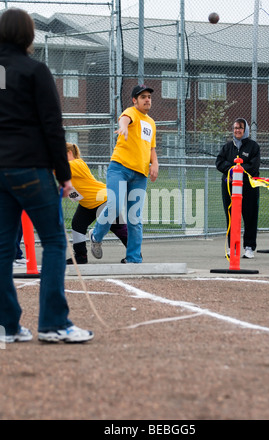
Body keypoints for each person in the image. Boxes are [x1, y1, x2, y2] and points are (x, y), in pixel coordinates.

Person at [0, 8, 93, 343]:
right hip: (30, 167)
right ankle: (53, 323)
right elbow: (53, 126)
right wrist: (64, 175)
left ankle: (7, 326)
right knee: (54, 241)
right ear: (28, 36)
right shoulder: (34, 70)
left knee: (1, 248)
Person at [89, 84, 159, 263]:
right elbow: (124, 120)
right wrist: (124, 127)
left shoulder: (151, 123)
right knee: (114, 207)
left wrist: (155, 164)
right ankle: (96, 236)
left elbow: (151, 148)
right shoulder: (131, 112)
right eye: (143, 97)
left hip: (140, 175)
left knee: (134, 217)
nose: (147, 99)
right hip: (119, 169)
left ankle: (133, 258)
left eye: (149, 97)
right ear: (135, 100)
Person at [65, 142, 128, 264]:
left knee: (118, 227)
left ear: (69, 153)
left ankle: (134, 255)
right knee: (77, 225)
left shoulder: (77, 163)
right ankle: (80, 256)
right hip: (87, 203)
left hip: (101, 199)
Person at [215, 118, 260, 259]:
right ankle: (232, 246)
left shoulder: (253, 147)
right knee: (231, 216)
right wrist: (232, 169)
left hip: (249, 187)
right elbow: (219, 162)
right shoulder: (227, 147)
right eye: (235, 128)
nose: (237, 131)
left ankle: (249, 247)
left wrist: (240, 170)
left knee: (250, 216)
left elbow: (253, 166)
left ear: (245, 130)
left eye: (240, 128)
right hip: (230, 187)